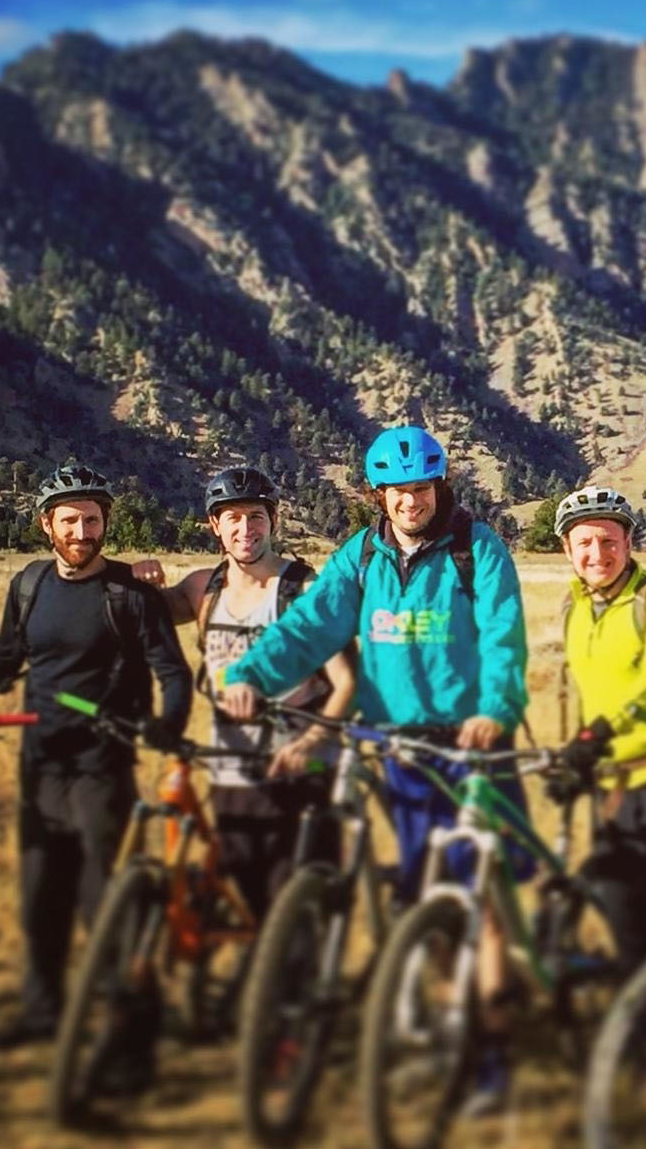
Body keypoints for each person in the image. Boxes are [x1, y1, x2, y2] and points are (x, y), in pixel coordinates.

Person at [217, 425, 532, 1115]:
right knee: (425, 900)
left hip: (472, 746)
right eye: (396, 491)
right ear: (377, 494)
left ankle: (491, 1053)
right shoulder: (362, 555)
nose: (410, 501)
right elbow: (309, 627)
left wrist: (495, 710)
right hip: (398, 748)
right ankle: (442, 1025)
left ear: (439, 487)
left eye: (421, 488)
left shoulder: (476, 549)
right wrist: (250, 675)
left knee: (478, 905)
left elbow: (504, 637)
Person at [0, 458, 193, 1052]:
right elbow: (4, 663)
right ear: (46, 525)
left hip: (102, 764)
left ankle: (129, 1030)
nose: (83, 533)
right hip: (41, 761)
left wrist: (167, 724)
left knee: (99, 901)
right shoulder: (28, 586)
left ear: (106, 522)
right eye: (70, 522)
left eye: (92, 521)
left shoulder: (130, 594)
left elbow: (173, 672)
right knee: (39, 898)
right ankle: (42, 1013)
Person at [144, 466, 356, 920]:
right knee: (249, 909)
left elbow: (347, 683)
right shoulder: (203, 589)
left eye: (256, 516)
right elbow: (139, 612)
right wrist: (138, 578)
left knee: (296, 919)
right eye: (233, 518)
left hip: (298, 774)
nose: (246, 529)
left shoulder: (303, 590)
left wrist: (309, 745)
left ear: (273, 520)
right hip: (232, 773)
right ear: (214, 526)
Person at [547, 485, 646, 964]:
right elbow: (587, 694)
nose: (598, 553)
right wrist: (578, 757)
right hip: (610, 790)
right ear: (567, 549)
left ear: (629, 543)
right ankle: (637, 1009)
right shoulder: (573, 606)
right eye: (585, 542)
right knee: (626, 927)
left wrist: (597, 735)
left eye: (609, 541)